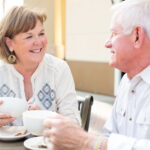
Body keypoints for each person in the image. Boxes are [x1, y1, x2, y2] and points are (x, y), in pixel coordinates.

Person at [43, 0, 150, 150]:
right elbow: (108, 136)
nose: (107, 43)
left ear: (137, 36)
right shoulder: (127, 81)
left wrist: (86, 142)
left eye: (114, 34)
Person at [0, 6, 80, 127]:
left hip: (46, 145)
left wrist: (46, 119)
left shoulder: (58, 69)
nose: (39, 42)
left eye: (41, 34)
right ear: (9, 43)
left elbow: (74, 123)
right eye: (29, 36)